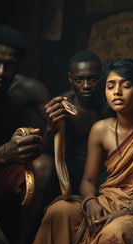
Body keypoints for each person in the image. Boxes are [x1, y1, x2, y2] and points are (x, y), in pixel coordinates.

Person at [29, 59, 133, 244]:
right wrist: (90, 201)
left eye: (126, 85)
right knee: (60, 211)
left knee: (115, 231)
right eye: (110, 86)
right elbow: (88, 181)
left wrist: (126, 211)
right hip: (108, 201)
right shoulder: (101, 129)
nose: (117, 92)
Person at [0, 25, 52, 244]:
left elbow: (53, 137)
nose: (0, 71)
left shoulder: (28, 90)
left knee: (44, 166)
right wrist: (3, 153)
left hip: (4, 173)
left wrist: (53, 124)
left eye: (9, 65)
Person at [44, 51, 104, 194]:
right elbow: (46, 152)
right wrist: (50, 128)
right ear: (70, 79)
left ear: (101, 77)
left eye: (92, 79)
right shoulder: (62, 105)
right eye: (79, 80)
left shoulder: (110, 101)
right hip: (72, 171)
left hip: (105, 170)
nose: (86, 85)